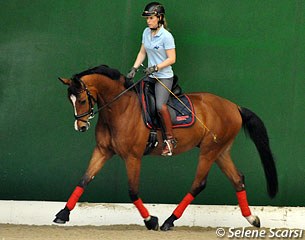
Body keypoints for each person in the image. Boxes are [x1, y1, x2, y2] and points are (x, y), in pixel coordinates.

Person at [127, 2, 177, 156]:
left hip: (164, 77)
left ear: (160, 18)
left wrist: (156, 67)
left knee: (160, 106)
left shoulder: (167, 36)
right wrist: (134, 68)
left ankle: (170, 140)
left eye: (151, 18)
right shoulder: (146, 32)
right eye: (147, 18)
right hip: (150, 76)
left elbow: (172, 59)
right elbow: (142, 52)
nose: (148, 21)